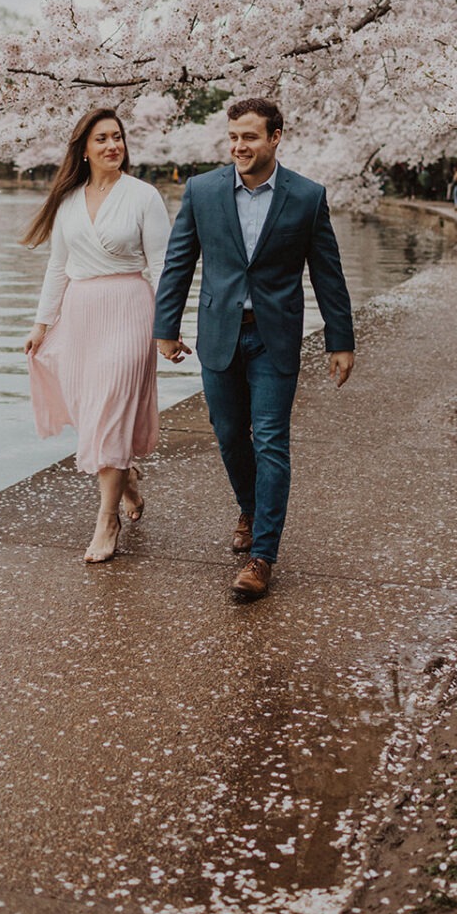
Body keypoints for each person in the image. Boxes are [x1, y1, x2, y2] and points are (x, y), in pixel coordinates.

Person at [153, 98, 355, 603]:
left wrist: (341, 339)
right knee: (227, 435)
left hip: (274, 336)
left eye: (250, 137)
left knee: (269, 439)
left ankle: (262, 555)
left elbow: (327, 272)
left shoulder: (307, 197)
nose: (240, 146)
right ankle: (249, 507)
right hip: (219, 334)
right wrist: (166, 326)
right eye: (234, 137)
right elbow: (179, 263)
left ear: (276, 137)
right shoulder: (202, 191)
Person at [23, 108, 171, 564]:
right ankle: (124, 476)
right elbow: (57, 267)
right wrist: (41, 323)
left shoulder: (144, 197)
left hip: (130, 308)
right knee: (94, 411)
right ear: (84, 150)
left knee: (110, 404)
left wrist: (168, 328)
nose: (112, 146)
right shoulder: (68, 202)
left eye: (118, 138)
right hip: (81, 313)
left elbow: (165, 265)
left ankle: (107, 521)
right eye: (102, 139)